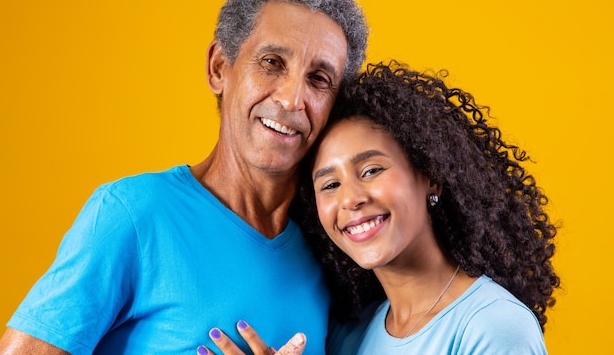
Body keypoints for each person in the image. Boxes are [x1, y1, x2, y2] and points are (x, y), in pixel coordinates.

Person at [0, 0, 368, 355]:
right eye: (273, 62)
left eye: (319, 79)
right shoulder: (132, 215)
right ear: (219, 68)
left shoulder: (334, 246)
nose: (292, 99)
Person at [198, 61, 560, 355]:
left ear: (430, 174)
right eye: (329, 185)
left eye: (371, 170)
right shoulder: (351, 337)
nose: (351, 198)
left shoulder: (494, 328)